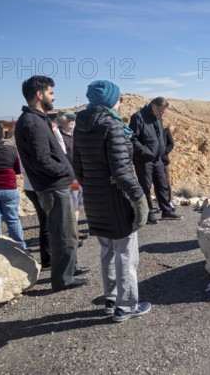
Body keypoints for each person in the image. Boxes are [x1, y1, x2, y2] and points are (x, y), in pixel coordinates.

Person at [73, 80, 151, 322]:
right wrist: (140, 199)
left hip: (95, 200)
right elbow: (122, 171)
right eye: (119, 98)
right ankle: (126, 306)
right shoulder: (112, 126)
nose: (122, 101)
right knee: (126, 253)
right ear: (109, 100)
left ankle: (111, 298)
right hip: (116, 199)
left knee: (107, 250)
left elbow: (78, 166)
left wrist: (93, 189)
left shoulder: (81, 125)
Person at [14, 75, 90, 292]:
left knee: (69, 232)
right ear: (40, 94)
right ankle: (63, 279)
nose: (53, 97)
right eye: (51, 92)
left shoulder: (37, 118)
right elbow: (42, 160)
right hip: (54, 188)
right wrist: (65, 171)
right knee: (62, 234)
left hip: (56, 185)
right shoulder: (32, 122)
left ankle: (71, 268)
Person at [129, 97, 181, 224]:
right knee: (146, 187)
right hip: (143, 160)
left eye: (164, 111)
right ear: (153, 106)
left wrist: (161, 151)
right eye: (161, 111)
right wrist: (146, 152)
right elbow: (133, 139)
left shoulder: (157, 118)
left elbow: (159, 137)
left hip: (157, 159)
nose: (162, 113)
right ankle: (148, 214)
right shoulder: (138, 117)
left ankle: (166, 211)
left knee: (162, 184)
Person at [57, 109, 88, 242]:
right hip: (70, 177)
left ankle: (72, 230)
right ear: (62, 120)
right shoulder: (58, 137)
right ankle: (73, 233)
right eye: (70, 118)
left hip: (80, 175)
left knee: (78, 200)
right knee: (74, 202)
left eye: (74, 118)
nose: (73, 121)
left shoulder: (75, 135)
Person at [0, 123, 26, 249]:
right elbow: (18, 170)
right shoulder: (11, 150)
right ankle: (20, 248)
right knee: (13, 219)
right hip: (9, 189)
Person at [21, 162, 50, 266]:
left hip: (31, 187)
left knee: (45, 222)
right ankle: (48, 260)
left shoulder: (22, 149)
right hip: (40, 187)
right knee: (47, 222)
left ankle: (48, 259)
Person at [162, 125, 175, 209]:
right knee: (157, 182)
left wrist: (164, 152)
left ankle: (169, 201)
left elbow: (171, 143)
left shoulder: (166, 131)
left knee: (167, 180)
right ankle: (161, 202)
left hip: (164, 160)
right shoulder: (152, 131)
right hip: (153, 160)